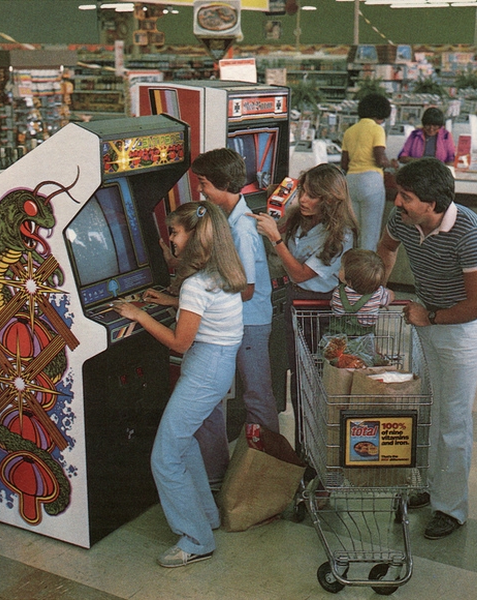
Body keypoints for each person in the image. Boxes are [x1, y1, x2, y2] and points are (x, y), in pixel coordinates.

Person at [113, 201, 246, 568]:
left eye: (174, 232)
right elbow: (205, 312)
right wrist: (171, 300)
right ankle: (207, 516)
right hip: (218, 367)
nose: (170, 239)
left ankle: (196, 539)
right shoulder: (221, 271)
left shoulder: (195, 285)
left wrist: (139, 315)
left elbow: (179, 343)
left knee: (165, 457)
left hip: (204, 371)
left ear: (194, 236)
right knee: (183, 443)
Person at [376, 157, 477, 540]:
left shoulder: (470, 234)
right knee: (427, 409)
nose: (397, 202)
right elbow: (387, 247)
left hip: (462, 330)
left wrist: (430, 316)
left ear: (432, 204)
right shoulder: (403, 219)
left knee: (453, 419)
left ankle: (451, 508)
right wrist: (378, 286)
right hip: (426, 319)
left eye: (406, 196)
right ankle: (429, 486)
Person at [190, 147, 279, 488]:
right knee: (212, 395)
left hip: (249, 322)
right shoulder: (226, 219)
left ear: (224, 184)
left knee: (256, 395)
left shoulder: (242, 228)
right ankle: (217, 475)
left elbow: (245, 288)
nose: (200, 191)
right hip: (233, 321)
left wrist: (202, 295)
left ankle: (269, 473)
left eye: (204, 184)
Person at [249, 163, 359, 409]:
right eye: (303, 192)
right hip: (294, 300)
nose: (304, 200)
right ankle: (302, 426)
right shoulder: (300, 217)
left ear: (330, 200)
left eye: (312, 195)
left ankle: (316, 423)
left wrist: (275, 239)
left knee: (316, 371)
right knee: (297, 370)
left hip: (321, 308)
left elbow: (299, 274)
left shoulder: (341, 234)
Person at [341, 93, 393, 251]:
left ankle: (347, 264)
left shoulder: (349, 131)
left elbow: (344, 163)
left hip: (351, 182)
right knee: (370, 234)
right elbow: (380, 159)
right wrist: (391, 164)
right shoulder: (377, 129)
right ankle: (366, 267)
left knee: (352, 232)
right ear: (381, 114)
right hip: (371, 182)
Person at [330, 248, 394, 335]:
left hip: (342, 333)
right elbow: (391, 297)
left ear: (349, 282)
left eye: (342, 268)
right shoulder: (379, 293)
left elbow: (336, 311)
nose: (339, 269)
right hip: (366, 335)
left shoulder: (338, 293)